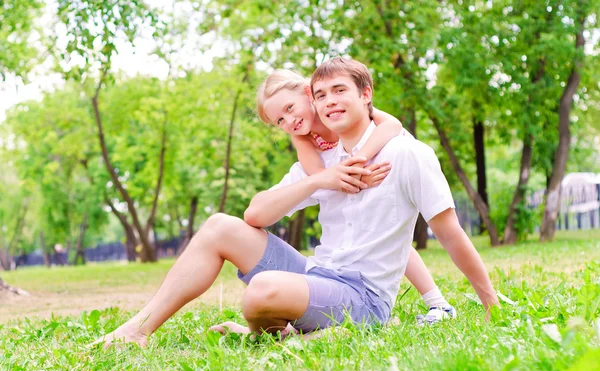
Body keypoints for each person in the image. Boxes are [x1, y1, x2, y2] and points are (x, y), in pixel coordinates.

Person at [95, 57, 498, 347]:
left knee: (260, 292)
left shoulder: (405, 153)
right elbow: (255, 214)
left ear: (365, 94)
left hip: (363, 297)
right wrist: (321, 179)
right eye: (323, 94)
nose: (328, 102)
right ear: (314, 97)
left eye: (339, 91)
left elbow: (448, 231)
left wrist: (488, 303)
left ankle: (342, 329)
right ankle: (139, 329)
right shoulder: (319, 157)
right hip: (320, 275)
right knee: (220, 225)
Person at [256, 69, 455, 324]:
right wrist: (355, 177)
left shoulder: (339, 107)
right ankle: (435, 301)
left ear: (308, 95)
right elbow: (320, 176)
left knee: (390, 231)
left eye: (290, 109)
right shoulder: (302, 138)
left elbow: (393, 125)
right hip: (351, 176)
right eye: (279, 121)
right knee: (374, 233)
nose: (289, 120)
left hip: (377, 157)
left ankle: (436, 300)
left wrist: (359, 161)